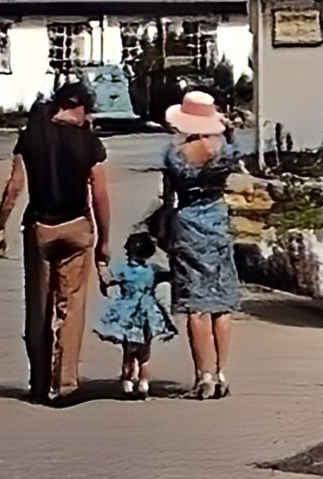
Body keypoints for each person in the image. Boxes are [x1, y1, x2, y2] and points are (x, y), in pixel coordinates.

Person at [0, 81, 113, 406]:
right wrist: (104, 242)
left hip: (40, 226)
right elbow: (99, 195)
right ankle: (65, 383)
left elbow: (14, 186)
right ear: (83, 107)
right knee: (71, 307)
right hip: (77, 227)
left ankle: (39, 381)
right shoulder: (89, 142)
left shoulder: (31, 136)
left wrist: (0, 226)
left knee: (39, 307)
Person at [158, 89, 244, 401]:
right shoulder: (224, 152)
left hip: (188, 222)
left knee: (195, 304)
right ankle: (221, 371)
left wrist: (164, 229)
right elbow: (236, 149)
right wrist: (227, 127)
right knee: (221, 303)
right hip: (217, 221)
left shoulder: (174, 154)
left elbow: (168, 197)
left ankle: (203, 375)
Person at [91, 229, 177, 399]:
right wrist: (172, 256)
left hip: (127, 311)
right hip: (147, 311)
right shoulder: (153, 270)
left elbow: (107, 279)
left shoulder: (122, 269)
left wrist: (101, 266)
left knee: (128, 349)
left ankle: (128, 379)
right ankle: (143, 380)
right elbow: (170, 276)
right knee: (145, 349)